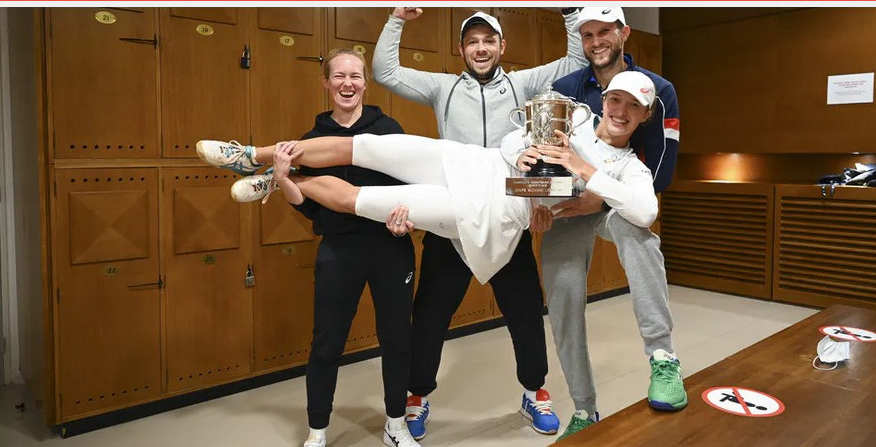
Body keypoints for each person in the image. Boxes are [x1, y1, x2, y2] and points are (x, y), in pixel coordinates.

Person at [199, 71, 659, 320]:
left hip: (486, 208)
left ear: (644, 116)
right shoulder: (572, 120)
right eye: (615, 101)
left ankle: (282, 181)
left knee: (366, 199)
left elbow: (643, 212)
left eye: (632, 107)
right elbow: (509, 143)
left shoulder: (630, 169)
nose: (620, 111)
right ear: (605, 102)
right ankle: (250, 154)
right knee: (369, 146)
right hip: (469, 162)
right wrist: (520, 150)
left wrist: (586, 175)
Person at [200, 48, 424, 447]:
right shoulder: (311, 137)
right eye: (338, 76)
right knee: (326, 345)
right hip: (339, 248)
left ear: (365, 82)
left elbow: (408, 190)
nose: (347, 83)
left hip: (389, 247)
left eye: (355, 76)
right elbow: (306, 209)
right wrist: (286, 180)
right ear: (325, 83)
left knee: (397, 339)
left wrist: (403, 224)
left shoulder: (387, 130)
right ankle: (316, 435)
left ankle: (396, 425)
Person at [371, 7, 589, 438]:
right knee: (431, 314)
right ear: (461, 49)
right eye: (473, 42)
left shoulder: (523, 83)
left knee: (525, 312)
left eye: (489, 40)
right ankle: (417, 396)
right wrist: (397, 17)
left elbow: (577, 62)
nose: (481, 48)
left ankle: (535, 392)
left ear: (502, 46)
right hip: (453, 220)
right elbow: (385, 71)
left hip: (508, 218)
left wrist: (570, 13)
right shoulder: (444, 87)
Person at [537, 7, 686, 441]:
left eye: (605, 32)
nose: (596, 42)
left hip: (616, 200)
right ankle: (584, 410)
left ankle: (663, 358)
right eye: (588, 34)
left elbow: (658, 168)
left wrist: (597, 199)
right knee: (563, 304)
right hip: (570, 210)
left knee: (639, 231)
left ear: (623, 33)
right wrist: (543, 197)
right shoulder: (566, 89)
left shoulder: (658, 89)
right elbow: (541, 150)